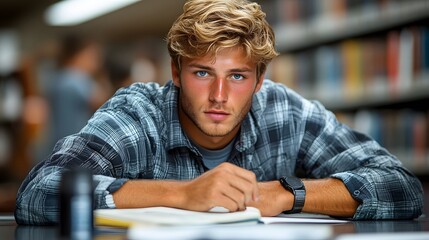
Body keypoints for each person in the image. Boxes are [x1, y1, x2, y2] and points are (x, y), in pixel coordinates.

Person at [15, 0, 423, 225]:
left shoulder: (284, 110)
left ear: (260, 81)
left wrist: (285, 193)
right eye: (202, 72)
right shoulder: (140, 113)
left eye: (239, 76)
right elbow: (38, 192)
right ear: (175, 71)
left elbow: (401, 187)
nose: (220, 95)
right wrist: (181, 195)